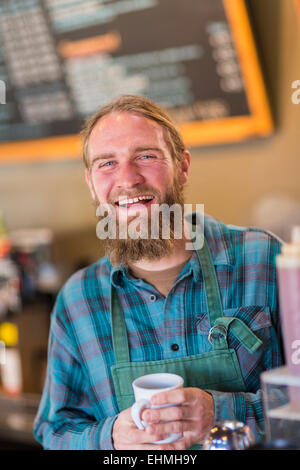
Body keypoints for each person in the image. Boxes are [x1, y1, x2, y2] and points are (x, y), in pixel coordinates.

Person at [33, 94, 283, 450]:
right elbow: (54, 431)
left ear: (182, 166)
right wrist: (111, 439)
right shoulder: (79, 300)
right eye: (107, 163)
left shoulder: (264, 260)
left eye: (145, 156)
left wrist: (226, 412)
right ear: (91, 183)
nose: (128, 179)